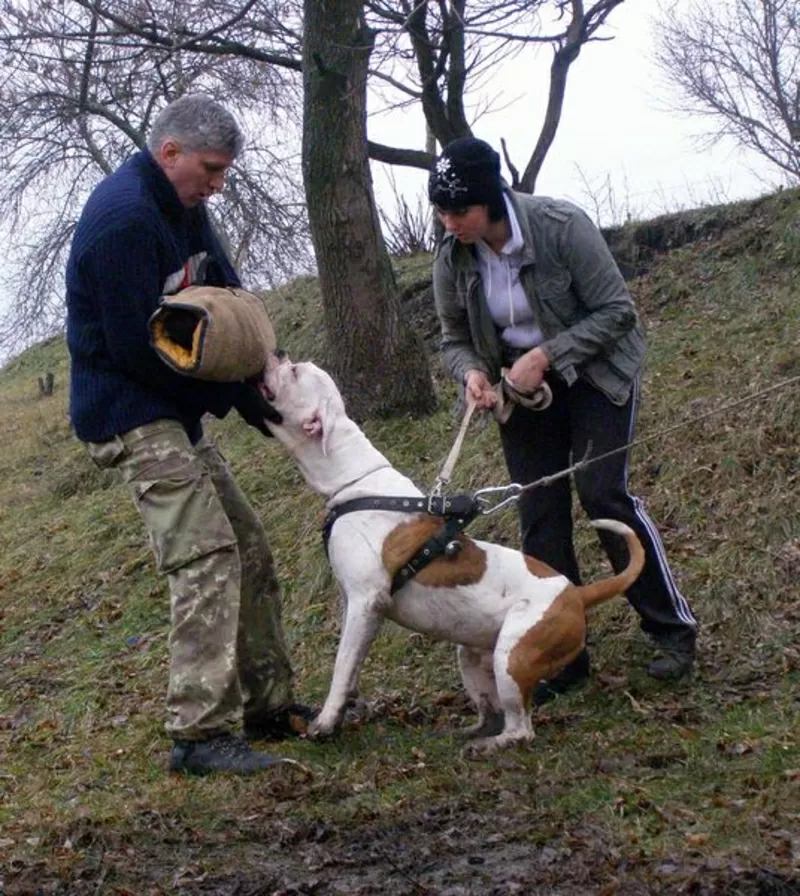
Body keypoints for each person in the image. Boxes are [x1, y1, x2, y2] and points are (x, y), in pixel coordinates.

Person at [66, 94, 312, 775]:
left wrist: (268, 377)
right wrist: (228, 397)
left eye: (224, 171)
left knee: (251, 549)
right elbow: (133, 352)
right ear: (168, 152)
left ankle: (270, 705)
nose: (218, 184)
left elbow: (229, 296)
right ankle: (199, 736)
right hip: (127, 407)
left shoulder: (188, 206)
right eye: (210, 168)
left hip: (172, 407)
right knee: (205, 555)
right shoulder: (123, 221)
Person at [428, 137, 698, 702]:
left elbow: (618, 313)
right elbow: (454, 339)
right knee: (540, 513)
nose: (450, 222)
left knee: (602, 494)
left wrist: (548, 354)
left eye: (460, 211)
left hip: (597, 375)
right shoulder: (452, 255)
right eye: (442, 211)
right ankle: (565, 656)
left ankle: (671, 630)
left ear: (493, 200)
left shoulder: (560, 225)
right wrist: (473, 373)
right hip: (521, 395)